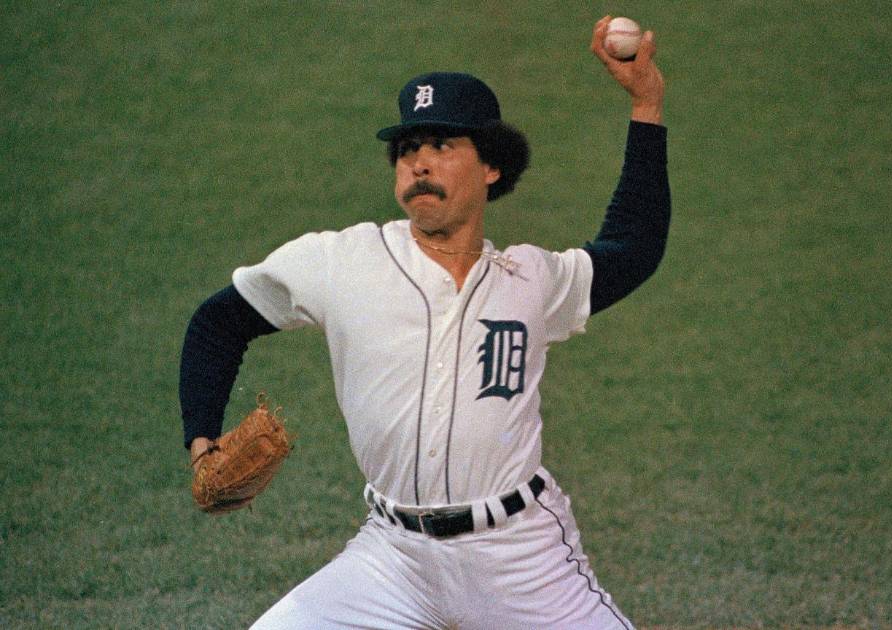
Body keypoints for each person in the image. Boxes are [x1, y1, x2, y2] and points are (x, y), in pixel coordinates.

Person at [179, 16, 668, 629]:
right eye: (408, 149)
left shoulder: (533, 279)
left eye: (441, 146)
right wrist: (202, 443)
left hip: (520, 560)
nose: (419, 163)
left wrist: (646, 104)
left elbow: (634, 247)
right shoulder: (342, 261)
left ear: (491, 167)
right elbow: (217, 324)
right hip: (393, 559)